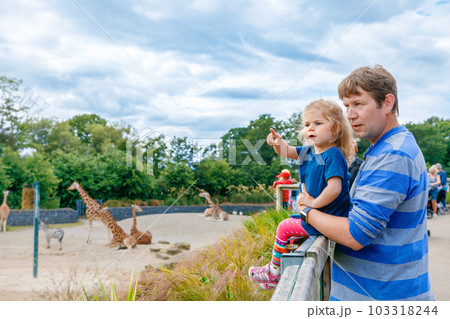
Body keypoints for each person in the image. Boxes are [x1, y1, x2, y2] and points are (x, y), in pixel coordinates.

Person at [297, 65, 434, 300]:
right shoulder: (383, 148)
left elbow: (355, 234)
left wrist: (306, 210)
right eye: (346, 105)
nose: (349, 114)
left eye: (359, 104)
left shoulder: (394, 154)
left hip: (383, 298)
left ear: (388, 103)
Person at [248, 99, 355, 289]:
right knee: (292, 227)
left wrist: (312, 204)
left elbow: (334, 188)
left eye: (318, 123)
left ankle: (274, 272)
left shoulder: (333, 155)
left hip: (329, 218)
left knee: (284, 226)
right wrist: (277, 143)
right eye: (307, 125)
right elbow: (286, 151)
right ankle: (279, 270)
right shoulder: (308, 151)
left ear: (337, 128)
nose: (310, 129)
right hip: (317, 215)